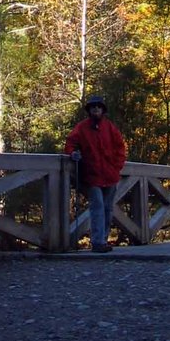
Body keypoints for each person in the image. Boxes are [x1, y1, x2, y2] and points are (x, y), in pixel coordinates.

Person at [64, 95, 127, 253]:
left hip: (110, 175)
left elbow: (120, 147)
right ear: (89, 110)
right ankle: (98, 241)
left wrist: (116, 166)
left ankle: (103, 239)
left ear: (102, 110)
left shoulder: (110, 127)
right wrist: (72, 153)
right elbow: (70, 142)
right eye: (93, 107)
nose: (96, 109)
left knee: (107, 208)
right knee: (97, 206)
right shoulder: (82, 128)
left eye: (98, 107)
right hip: (92, 175)